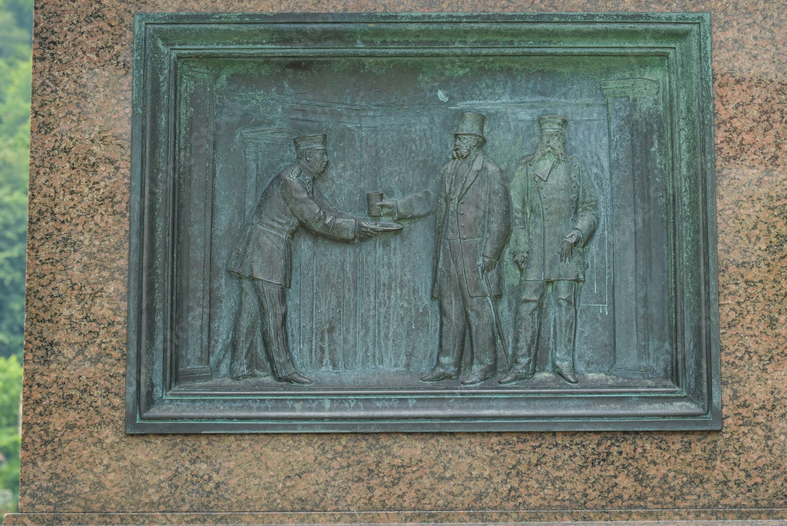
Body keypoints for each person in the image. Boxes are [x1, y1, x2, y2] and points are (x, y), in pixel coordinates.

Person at [228, 134, 389, 384]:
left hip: (260, 248)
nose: (326, 160)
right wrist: (355, 230)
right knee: (274, 311)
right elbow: (317, 221)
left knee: (250, 310)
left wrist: (362, 222)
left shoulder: (303, 179)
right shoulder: (292, 182)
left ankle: (240, 366)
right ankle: (283, 370)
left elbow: (329, 211)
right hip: (266, 249)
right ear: (308, 156)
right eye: (322, 155)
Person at [377, 112, 511, 385]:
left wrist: (491, 254)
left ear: (474, 141)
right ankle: (448, 364)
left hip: (476, 253)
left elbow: (501, 217)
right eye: (457, 138)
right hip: (448, 251)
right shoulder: (449, 170)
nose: (457, 143)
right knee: (450, 308)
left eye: (462, 139)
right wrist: (396, 206)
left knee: (478, 308)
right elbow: (428, 197)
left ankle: (485, 365)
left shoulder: (491, 172)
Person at [501, 116, 598, 384]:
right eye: (547, 136)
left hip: (566, 250)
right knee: (528, 303)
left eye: (555, 136)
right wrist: (521, 246)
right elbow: (516, 212)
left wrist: (578, 232)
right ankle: (521, 364)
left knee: (565, 302)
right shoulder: (526, 168)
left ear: (562, 138)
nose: (551, 141)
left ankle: (564, 362)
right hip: (535, 249)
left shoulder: (576, 167)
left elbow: (589, 208)